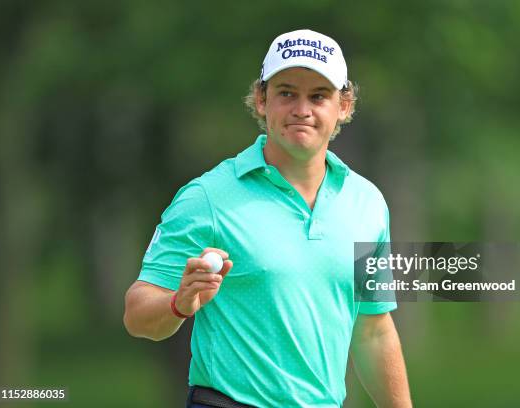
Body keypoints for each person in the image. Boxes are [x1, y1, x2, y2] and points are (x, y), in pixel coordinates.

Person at [123, 29, 412, 408]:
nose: (302, 110)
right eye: (287, 93)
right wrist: (179, 303)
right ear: (261, 100)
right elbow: (137, 313)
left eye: (318, 96)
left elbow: (373, 331)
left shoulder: (367, 204)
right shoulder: (208, 198)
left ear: (343, 106)